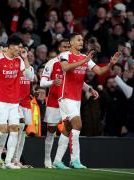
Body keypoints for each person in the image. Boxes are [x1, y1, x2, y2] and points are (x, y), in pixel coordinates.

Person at [53, 32, 121, 169]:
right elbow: (65, 68)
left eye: (82, 40)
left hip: (76, 97)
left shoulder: (85, 57)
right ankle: (75, 160)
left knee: (68, 128)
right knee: (78, 124)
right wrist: (84, 61)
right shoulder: (65, 55)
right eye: (78, 40)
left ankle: (57, 161)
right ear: (71, 43)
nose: (81, 42)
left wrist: (110, 64)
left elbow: (100, 72)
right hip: (65, 95)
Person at [40, 39, 99, 168]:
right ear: (59, 49)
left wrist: (89, 88)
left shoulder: (73, 61)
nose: (67, 48)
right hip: (54, 101)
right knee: (51, 130)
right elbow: (42, 83)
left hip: (68, 99)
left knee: (69, 127)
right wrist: (52, 82)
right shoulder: (51, 63)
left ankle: (60, 160)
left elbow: (77, 80)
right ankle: (47, 160)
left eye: (68, 46)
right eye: (64, 47)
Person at [0, 35, 33, 169]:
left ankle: (9, 161)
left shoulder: (19, 60)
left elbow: (30, 76)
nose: (20, 49)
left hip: (15, 101)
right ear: (10, 46)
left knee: (15, 129)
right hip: (0, 101)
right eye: (18, 46)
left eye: (21, 47)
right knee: (1, 131)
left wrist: (25, 58)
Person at [13, 45, 34, 167]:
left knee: (22, 134)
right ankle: (12, 159)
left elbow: (30, 77)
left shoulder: (29, 67)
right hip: (16, 103)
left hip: (26, 104)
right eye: (20, 52)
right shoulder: (14, 65)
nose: (22, 53)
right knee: (17, 129)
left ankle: (17, 159)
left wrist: (25, 59)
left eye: (24, 52)